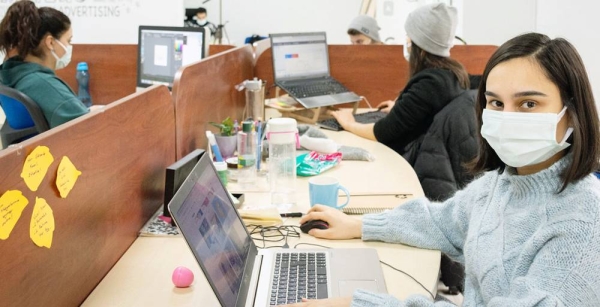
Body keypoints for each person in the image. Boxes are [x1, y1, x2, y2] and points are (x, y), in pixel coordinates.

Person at [290, 32, 600, 306]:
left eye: (528, 104)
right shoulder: (503, 184)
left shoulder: (583, 227)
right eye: (495, 103)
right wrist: (359, 226)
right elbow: (442, 221)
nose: (507, 118)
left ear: (571, 112)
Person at [0, 0, 89, 129]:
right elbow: (90, 131)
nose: (70, 46)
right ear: (51, 42)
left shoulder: (11, 75)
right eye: (68, 40)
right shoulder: (45, 86)